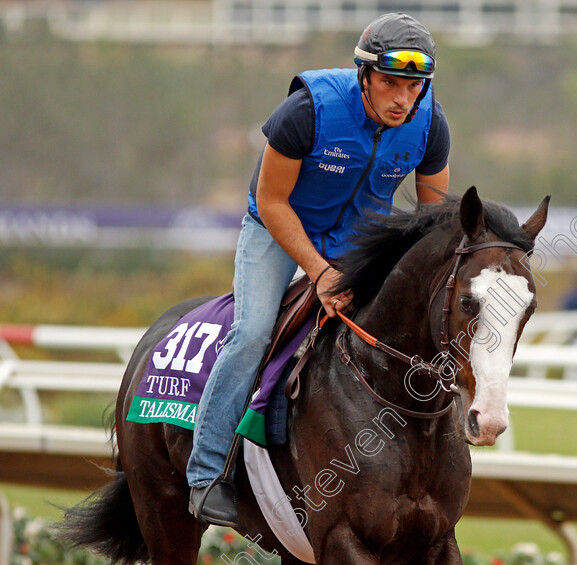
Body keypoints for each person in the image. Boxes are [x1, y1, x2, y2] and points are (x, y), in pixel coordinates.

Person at [187, 12, 451, 527]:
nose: (403, 99)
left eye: (413, 87)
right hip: (280, 229)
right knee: (252, 332)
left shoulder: (431, 124)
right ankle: (206, 473)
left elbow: (431, 220)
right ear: (364, 77)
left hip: (359, 238)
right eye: (390, 83)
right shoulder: (306, 110)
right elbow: (271, 201)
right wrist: (318, 272)